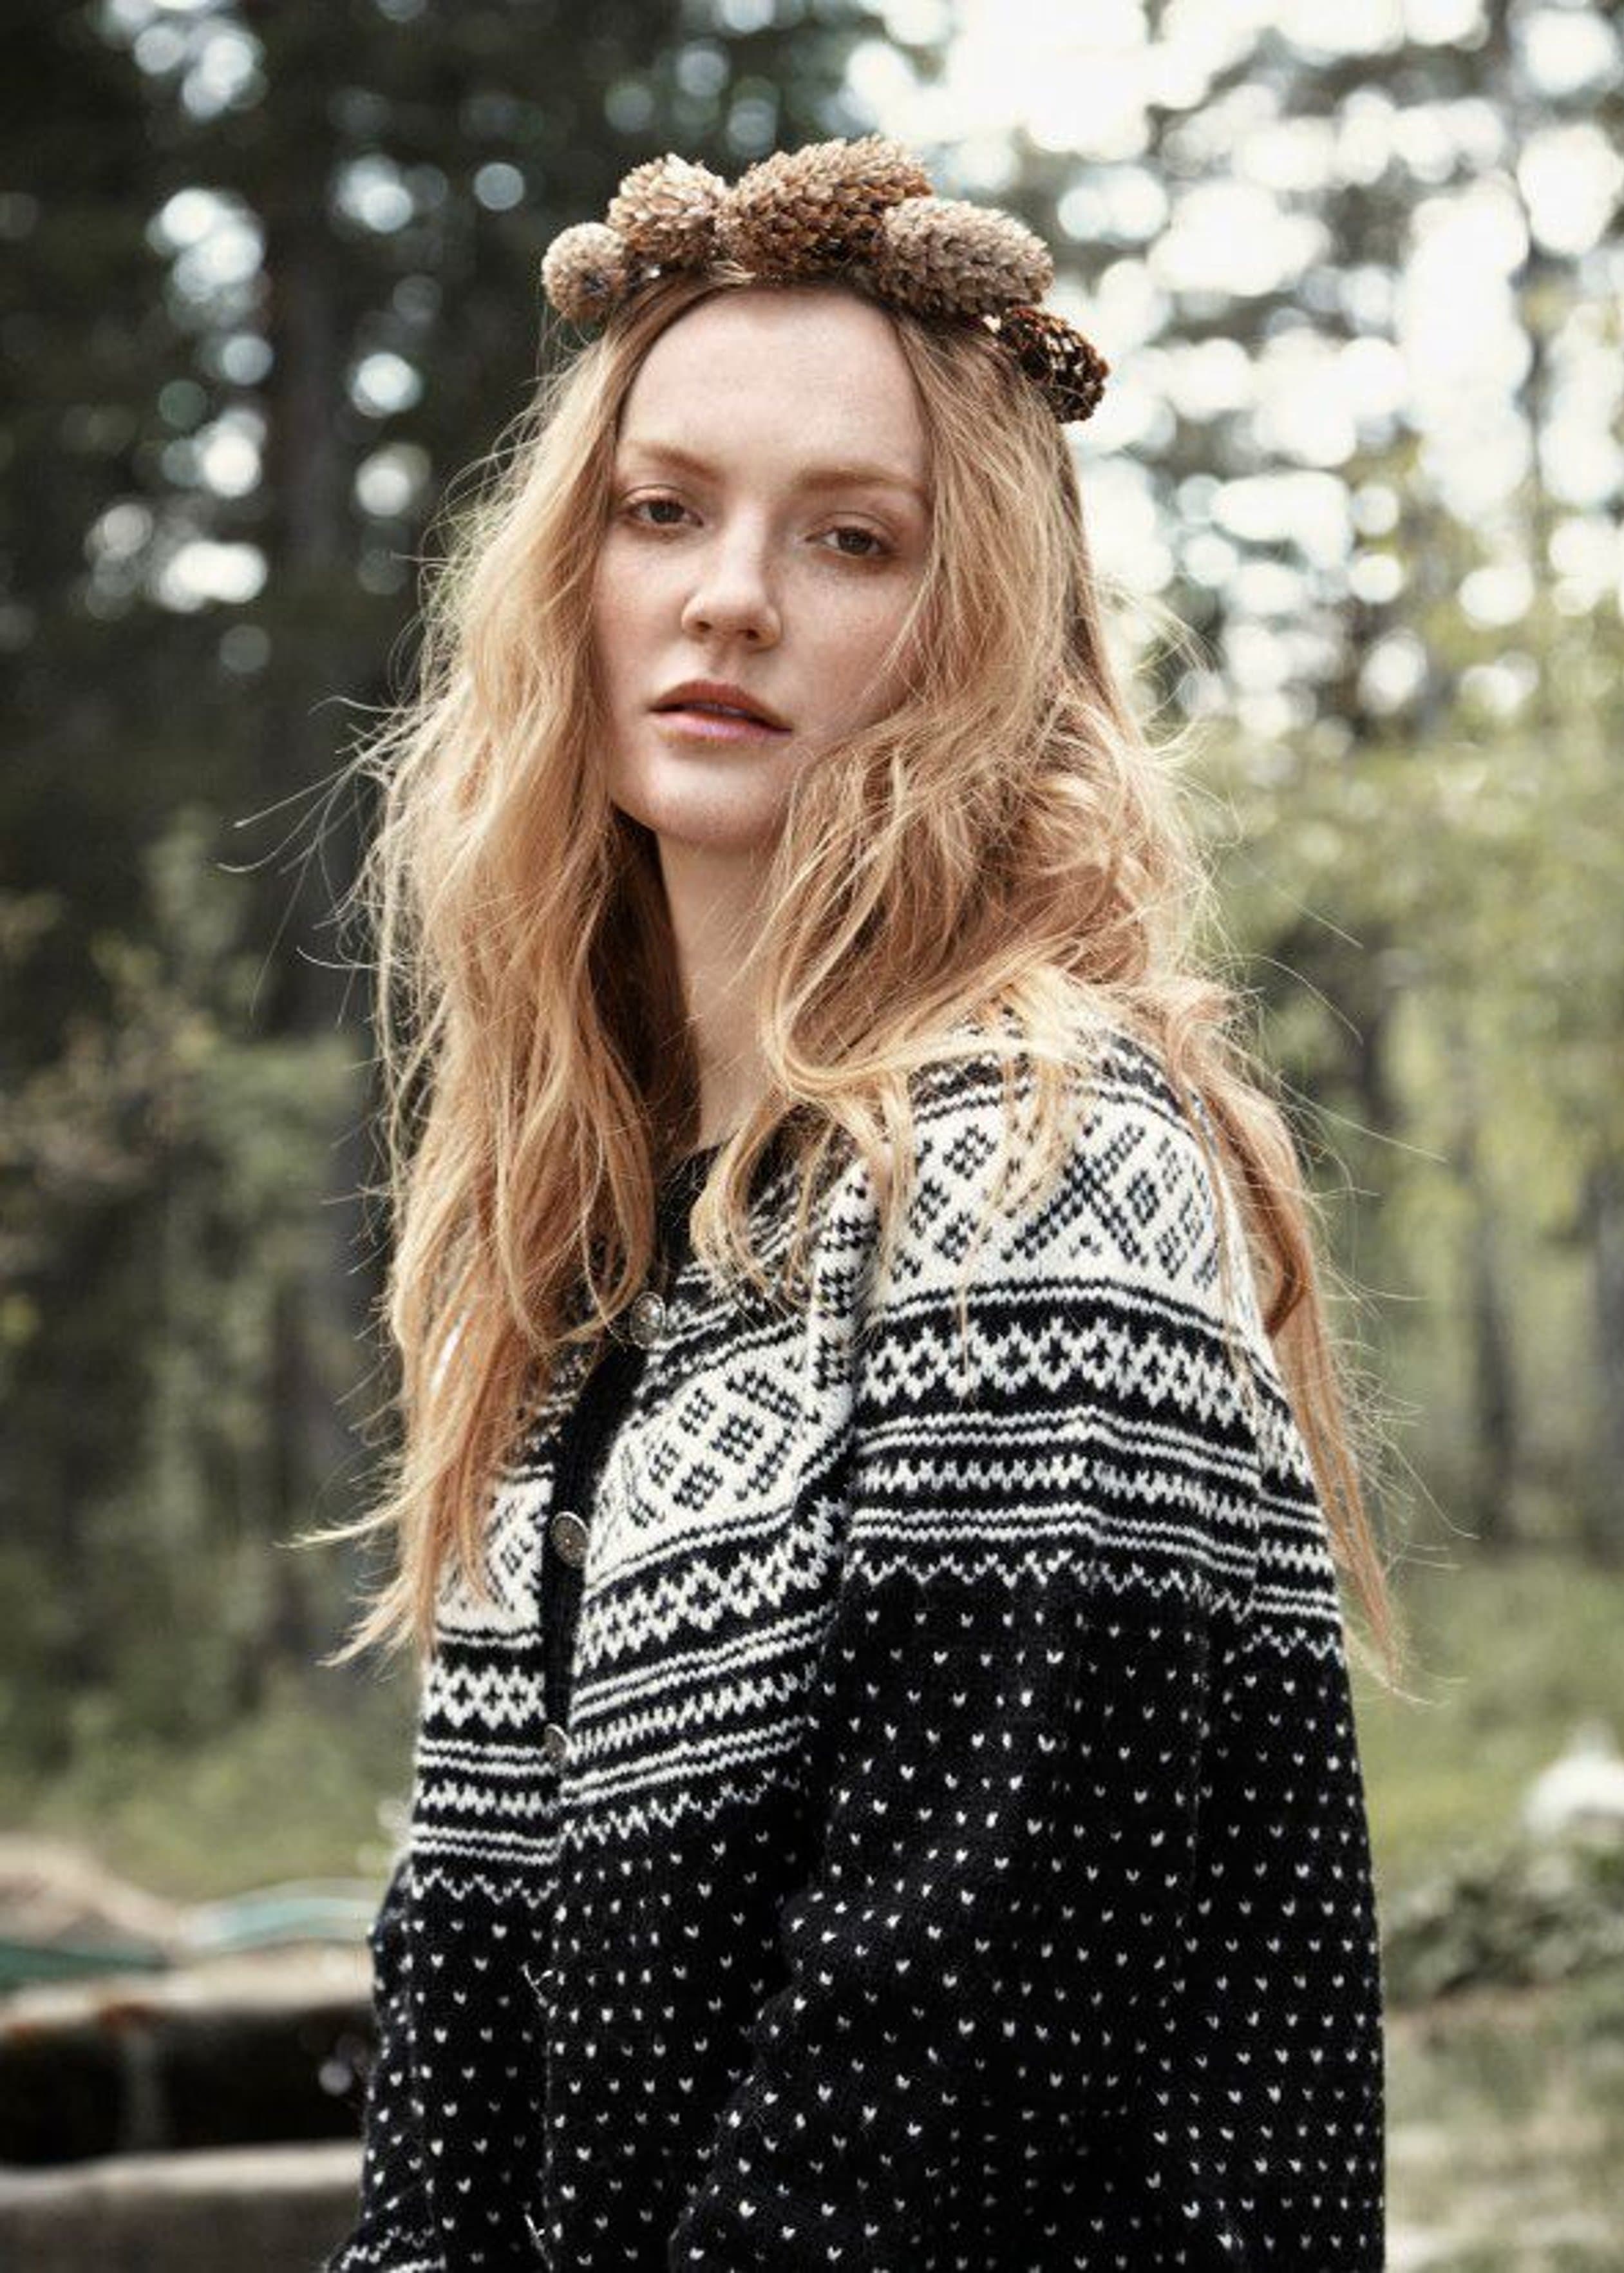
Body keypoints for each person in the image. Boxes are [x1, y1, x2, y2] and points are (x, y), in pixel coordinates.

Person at [314, 134, 1400, 2272]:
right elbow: (460, 2041)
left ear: (972, 624)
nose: (730, 596)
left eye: (850, 538)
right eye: (664, 510)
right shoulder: (597, 1249)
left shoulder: (1040, 1170)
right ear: (573, 570)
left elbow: (944, 2074)